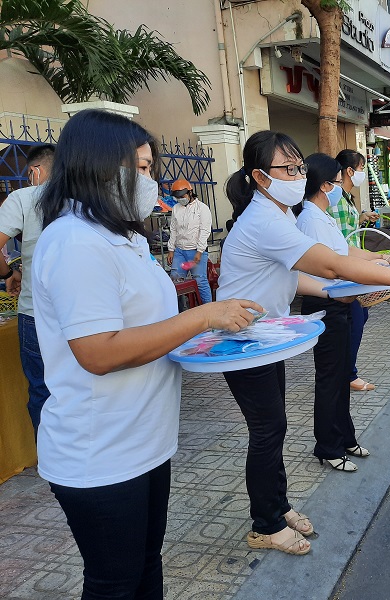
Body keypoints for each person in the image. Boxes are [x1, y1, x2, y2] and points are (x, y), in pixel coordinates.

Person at [31, 109, 259, 598]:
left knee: (145, 568)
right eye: (139, 167)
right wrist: (204, 317)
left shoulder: (126, 237)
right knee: (115, 582)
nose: (149, 180)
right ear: (96, 166)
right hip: (100, 452)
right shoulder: (74, 241)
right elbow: (98, 352)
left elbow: (150, 328)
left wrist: (209, 340)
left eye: (150, 167)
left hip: (146, 441)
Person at [217, 130, 390, 556]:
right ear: (261, 178)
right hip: (243, 341)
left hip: (264, 338)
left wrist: (330, 292)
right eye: (289, 169)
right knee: (267, 431)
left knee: (274, 427)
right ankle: (265, 523)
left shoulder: (279, 216)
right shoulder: (264, 220)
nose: (298, 176)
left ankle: (278, 505)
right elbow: (331, 263)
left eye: (299, 167)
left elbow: (294, 278)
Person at [297, 153, 390, 473]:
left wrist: (379, 260)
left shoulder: (323, 215)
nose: (341, 185)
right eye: (338, 180)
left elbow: (344, 251)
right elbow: (332, 266)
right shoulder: (310, 219)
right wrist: (379, 271)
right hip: (326, 304)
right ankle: (328, 446)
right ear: (325, 185)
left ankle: (345, 437)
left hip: (340, 303)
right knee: (330, 380)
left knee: (342, 377)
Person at [0, 144, 55, 435]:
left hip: (36, 312)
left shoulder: (23, 197)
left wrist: (8, 273)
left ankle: (50, 455)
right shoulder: (81, 199)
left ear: (35, 171)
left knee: (42, 391)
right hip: (78, 311)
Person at [331, 149, 380, 392]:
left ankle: (344, 371)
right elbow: (340, 242)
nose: (363, 173)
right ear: (349, 171)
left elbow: (347, 229)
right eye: (361, 169)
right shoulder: (336, 198)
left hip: (351, 268)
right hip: (344, 272)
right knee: (355, 321)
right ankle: (347, 374)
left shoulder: (346, 197)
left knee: (359, 318)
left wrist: (362, 217)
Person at [167, 179, 213, 303]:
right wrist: (171, 249)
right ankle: (179, 310)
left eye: (182, 196)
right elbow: (173, 230)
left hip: (196, 250)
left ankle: (209, 309)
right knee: (175, 281)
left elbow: (205, 231)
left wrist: (199, 251)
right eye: (178, 197)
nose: (180, 199)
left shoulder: (202, 208)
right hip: (179, 251)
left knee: (200, 281)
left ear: (190, 192)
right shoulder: (176, 208)